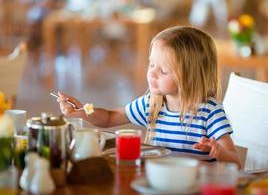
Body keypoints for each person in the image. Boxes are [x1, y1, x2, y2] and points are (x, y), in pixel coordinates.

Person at [57, 26, 241, 167]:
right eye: (151, 64)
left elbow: (236, 162)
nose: (152, 73)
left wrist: (218, 152)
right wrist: (82, 112)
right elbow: (109, 117)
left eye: (163, 70)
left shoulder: (209, 112)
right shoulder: (152, 104)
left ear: (190, 76)